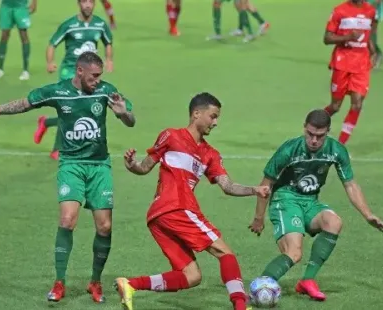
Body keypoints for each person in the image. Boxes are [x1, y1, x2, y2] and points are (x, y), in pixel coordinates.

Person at [0, 52, 136, 304]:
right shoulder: (59, 91)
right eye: (93, 76)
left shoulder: (106, 91)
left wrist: (124, 113)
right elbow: (26, 103)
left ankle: (95, 281)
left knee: (104, 226)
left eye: (100, 76)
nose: (97, 81)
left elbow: (130, 121)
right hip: (71, 164)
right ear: (79, 72)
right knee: (67, 219)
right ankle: (59, 282)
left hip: (99, 165)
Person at [114, 92, 270, 310]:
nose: (215, 123)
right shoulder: (170, 136)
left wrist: (255, 189)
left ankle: (130, 284)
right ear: (196, 114)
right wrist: (132, 165)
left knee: (191, 276)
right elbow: (145, 167)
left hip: (159, 217)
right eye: (212, 116)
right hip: (176, 207)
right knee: (225, 253)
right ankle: (240, 306)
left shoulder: (210, 154)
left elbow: (227, 186)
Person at [248, 109, 383, 301]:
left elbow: (350, 184)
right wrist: (259, 218)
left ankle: (307, 280)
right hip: (285, 200)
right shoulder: (289, 150)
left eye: (320, 136)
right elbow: (266, 184)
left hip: (311, 201)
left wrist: (367, 214)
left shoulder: (336, 150)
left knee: (333, 222)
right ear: (304, 129)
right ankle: (260, 286)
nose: (314, 140)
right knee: (294, 253)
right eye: (310, 134)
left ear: (328, 132)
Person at [34, 0, 114, 160]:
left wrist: (109, 59)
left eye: (91, 2)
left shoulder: (99, 24)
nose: (87, 5)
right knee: (69, 108)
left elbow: (108, 42)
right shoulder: (69, 25)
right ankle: (57, 149)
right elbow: (52, 44)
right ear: (79, 3)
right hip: (69, 72)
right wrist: (50, 62)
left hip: (88, 75)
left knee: (78, 111)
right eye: (84, 1)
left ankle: (46, 123)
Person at [322, 0, 377, 145]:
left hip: (362, 64)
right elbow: (327, 38)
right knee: (335, 106)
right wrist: (348, 37)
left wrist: (373, 50)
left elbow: (369, 34)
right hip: (342, 62)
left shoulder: (370, 11)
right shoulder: (339, 10)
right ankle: (313, 125)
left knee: (357, 104)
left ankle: (341, 145)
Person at [0, 0, 37, 80]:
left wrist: (34, 3)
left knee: (23, 35)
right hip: (6, 6)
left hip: (21, 6)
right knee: (4, 36)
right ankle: (0, 69)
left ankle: (25, 70)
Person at [367, 0, 383, 68]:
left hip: (374, 5)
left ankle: (375, 55)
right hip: (363, 4)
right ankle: (377, 53)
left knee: (371, 30)